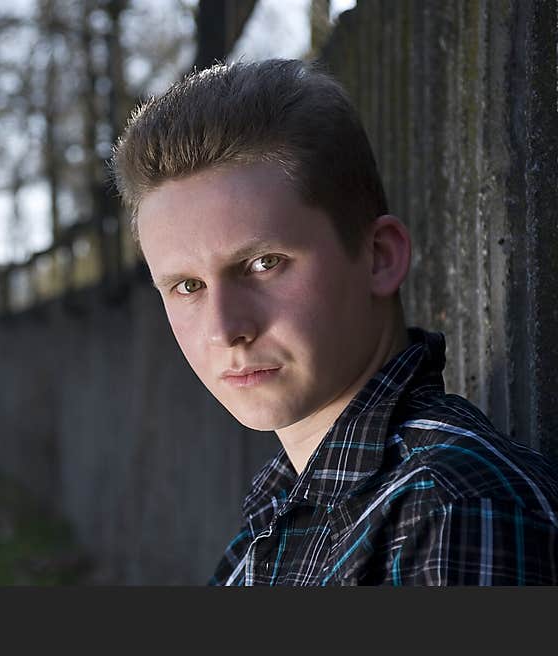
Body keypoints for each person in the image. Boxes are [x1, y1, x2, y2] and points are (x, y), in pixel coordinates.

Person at [109, 59, 558, 585]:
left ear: (380, 257)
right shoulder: (278, 514)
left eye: (263, 263)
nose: (225, 330)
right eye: (188, 286)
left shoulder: (451, 508)